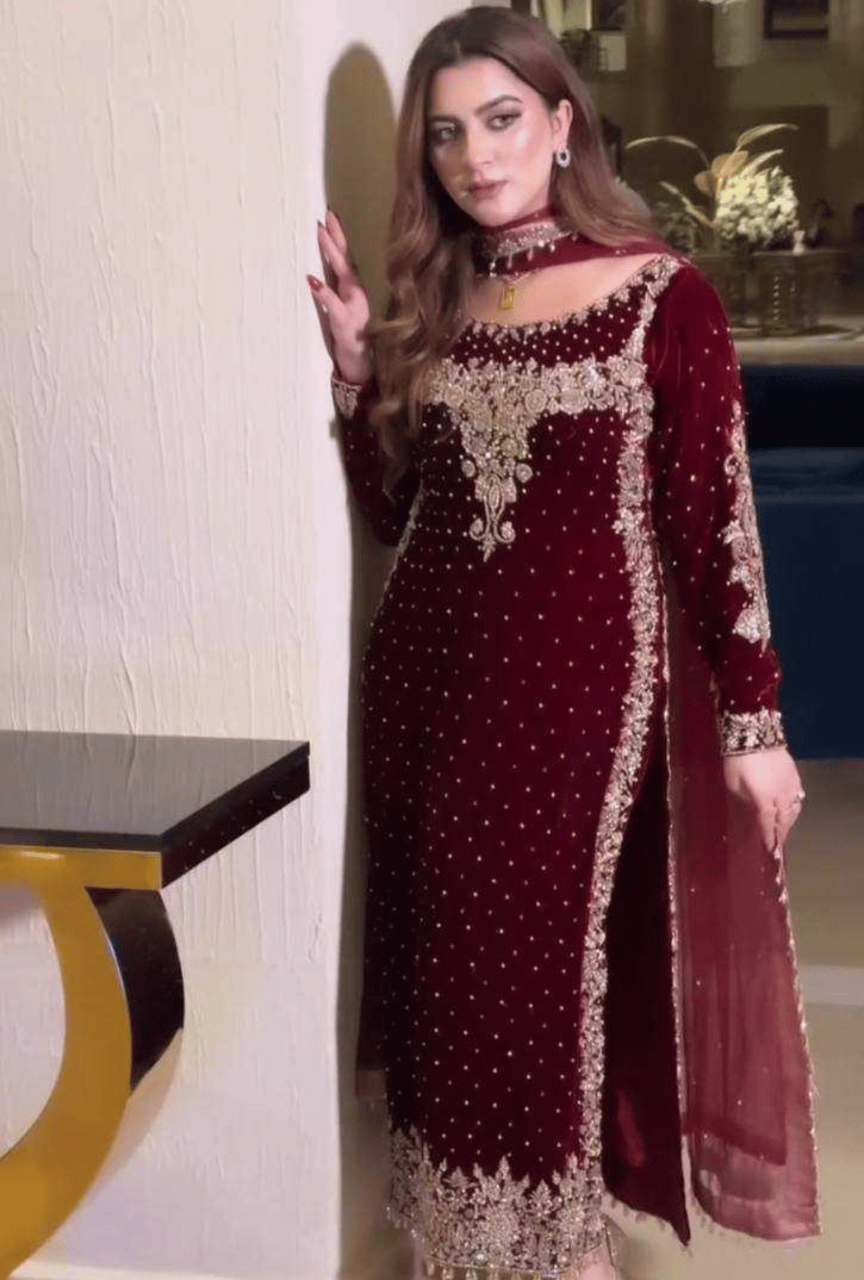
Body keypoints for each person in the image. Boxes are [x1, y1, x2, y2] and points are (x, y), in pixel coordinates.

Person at [307, 8, 820, 1279]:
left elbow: (719, 525)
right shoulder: (447, 293)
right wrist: (358, 372)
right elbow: (393, 510)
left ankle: (558, 1252)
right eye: (446, 134)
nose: (476, 158)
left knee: (533, 987)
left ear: (560, 122)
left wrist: (756, 726)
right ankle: (457, 1249)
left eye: (500, 120)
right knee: (445, 983)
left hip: (576, 707)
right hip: (423, 687)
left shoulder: (661, 296)